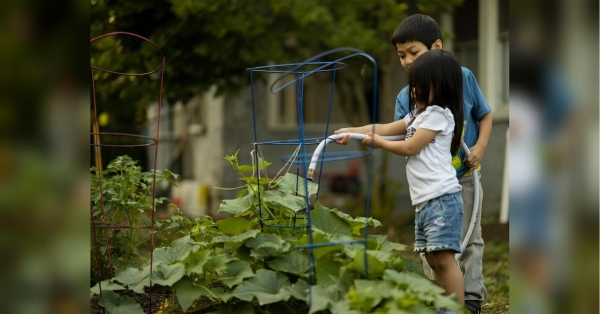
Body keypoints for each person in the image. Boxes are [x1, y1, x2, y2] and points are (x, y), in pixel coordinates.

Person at [335, 49, 466, 312]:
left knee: (444, 259)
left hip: (442, 199)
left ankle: (455, 310)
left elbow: (410, 147)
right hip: (425, 202)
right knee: (432, 258)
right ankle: (443, 307)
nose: (414, 91)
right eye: (413, 85)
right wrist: (352, 131)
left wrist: (380, 144)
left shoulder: (440, 114)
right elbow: (382, 128)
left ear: (440, 86)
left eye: (421, 86)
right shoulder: (416, 116)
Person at [392, 14, 492, 314]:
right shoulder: (405, 97)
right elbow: (403, 137)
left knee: (470, 238)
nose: (408, 61)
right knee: (432, 244)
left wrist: (480, 147)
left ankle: (471, 297)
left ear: (437, 46)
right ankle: (438, 297)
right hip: (431, 187)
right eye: (401, 56)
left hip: (464, 176)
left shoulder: (464, 78)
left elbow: (485, 115)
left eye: (414, 53)